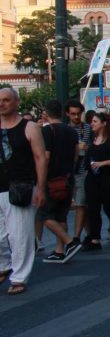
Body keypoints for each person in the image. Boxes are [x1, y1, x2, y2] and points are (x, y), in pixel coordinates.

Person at [0, 88, 47, 294]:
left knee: (20, 235)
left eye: (6, 100)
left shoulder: (30, 127)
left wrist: (41, 188)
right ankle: (3, 265)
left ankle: (19, 277)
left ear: (16, 102)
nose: (2, 104)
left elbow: (40, 158)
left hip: (20, 187)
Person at [40, 101, 83, 264]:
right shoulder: (71, 131)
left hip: (52, 178)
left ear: (46, 113)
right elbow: (76, 155)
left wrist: (40, 178)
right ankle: (59, 251)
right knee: (61, 216)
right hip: (67, 177)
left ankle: (69, 242)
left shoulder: (47, 130)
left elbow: (46, 156)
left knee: (44, 215)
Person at [83, 112, 110, 251]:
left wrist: (103, 163)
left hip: (109, 178)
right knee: (93, 208)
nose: (92, 124)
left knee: (109, 206)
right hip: (93, 179)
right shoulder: (93, 140)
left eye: (95, 121)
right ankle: (95, 238)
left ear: (103, 123)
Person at [65, 100, 92, 242]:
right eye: (73, 114)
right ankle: (89, 234)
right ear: (67, 114)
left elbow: (95, 145)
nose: (76, 117)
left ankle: (76, 236)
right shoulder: (65, 129)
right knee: (81, 205)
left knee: (81, 204)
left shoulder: (88, 128)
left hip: (84, 170)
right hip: (69, 171)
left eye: (78, 114)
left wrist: (87, 148)